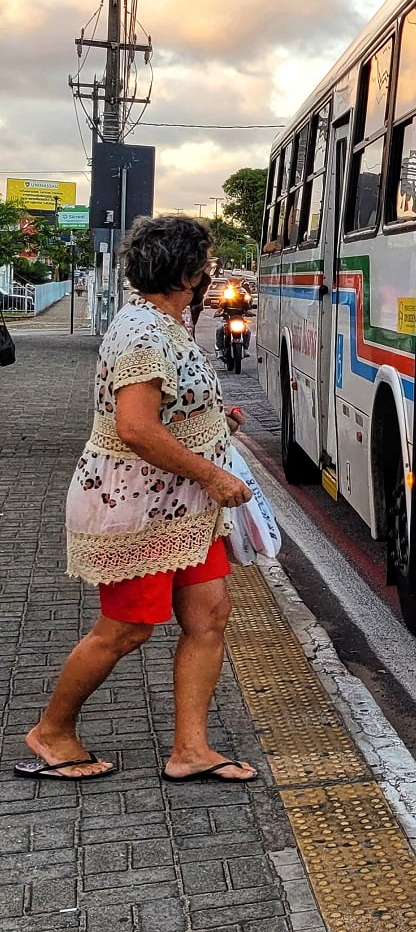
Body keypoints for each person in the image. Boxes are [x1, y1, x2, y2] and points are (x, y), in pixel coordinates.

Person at [15, 215, 257, 783]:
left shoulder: (167, 324)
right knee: (126, 628)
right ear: (187, 273)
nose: (206, 274)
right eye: (204, 265)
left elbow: (168, 408)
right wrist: (214, 475)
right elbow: (136, 428)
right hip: (136, 507)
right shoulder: (142, 333)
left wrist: (213, 421)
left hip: (182, 505)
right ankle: (51, 732)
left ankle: (191, 751)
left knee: (210, 615)